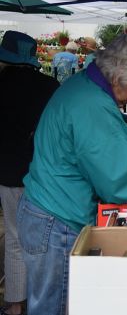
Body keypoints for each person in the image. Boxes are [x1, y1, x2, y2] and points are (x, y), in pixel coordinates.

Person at [17, 32, 127, 315]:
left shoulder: (89, 87)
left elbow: (116, 136)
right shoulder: (91, 105)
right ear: (119, 77)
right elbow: (118, 183)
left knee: (53, 302)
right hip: (56, 220)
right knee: (54, 307)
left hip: (48, 212)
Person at [0, 31, 59, 315]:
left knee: (13, 237)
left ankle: (14, 305)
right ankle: (41, 302)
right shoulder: (49, 86)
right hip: (42, 175)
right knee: (42, 241)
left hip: (7, 172)